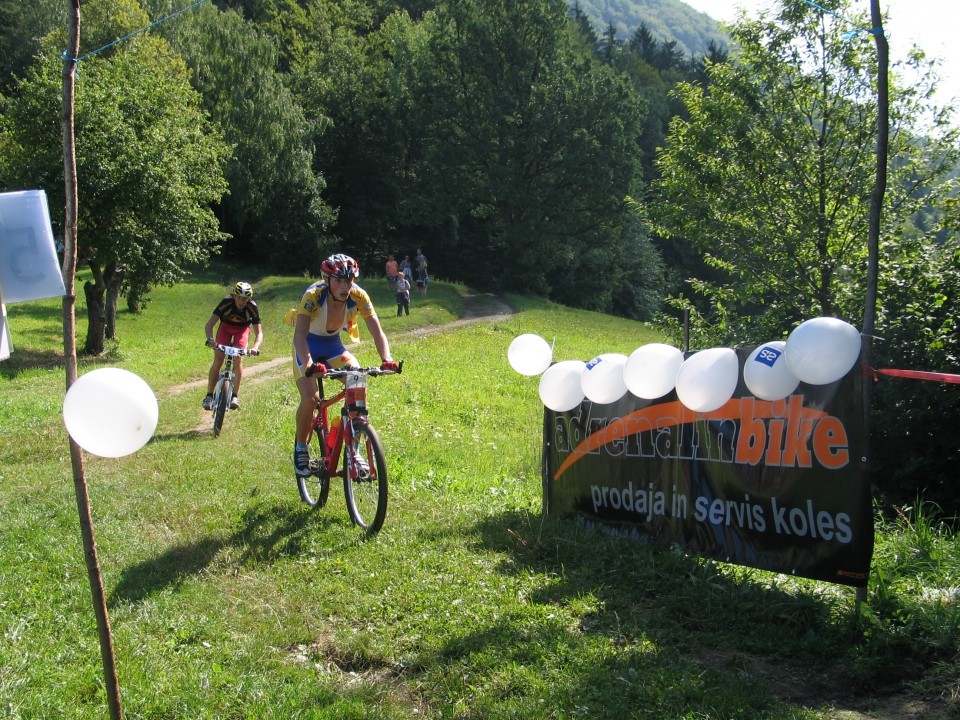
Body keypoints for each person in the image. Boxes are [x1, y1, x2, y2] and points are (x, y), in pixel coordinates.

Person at [292, 253, 398, 477]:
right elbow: (299, 336)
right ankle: (301, 449)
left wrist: (386, 358)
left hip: (333, 346)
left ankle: (354, 450)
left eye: (349, 280)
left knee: (357, 381)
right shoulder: (313, 295)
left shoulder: (358, 295)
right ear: (327, 280)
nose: (344, 286)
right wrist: (310, 364)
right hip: (307, 346)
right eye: (339, 280)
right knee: (310, 399)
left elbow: (376, 330)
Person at [203, 281, 263, 411]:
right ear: (234, 296)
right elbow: (209, 325)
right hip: (225, 328)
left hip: (242, 330)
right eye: (239, 298)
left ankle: (235, 396)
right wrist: (211, 340)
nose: (242, 301)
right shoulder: (226, 303)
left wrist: (255, 347)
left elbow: (259, 333)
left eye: (245, 299)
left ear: (249, 299)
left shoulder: (252, 307)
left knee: (238, 359)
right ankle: (209, 395)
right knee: (218, 359)